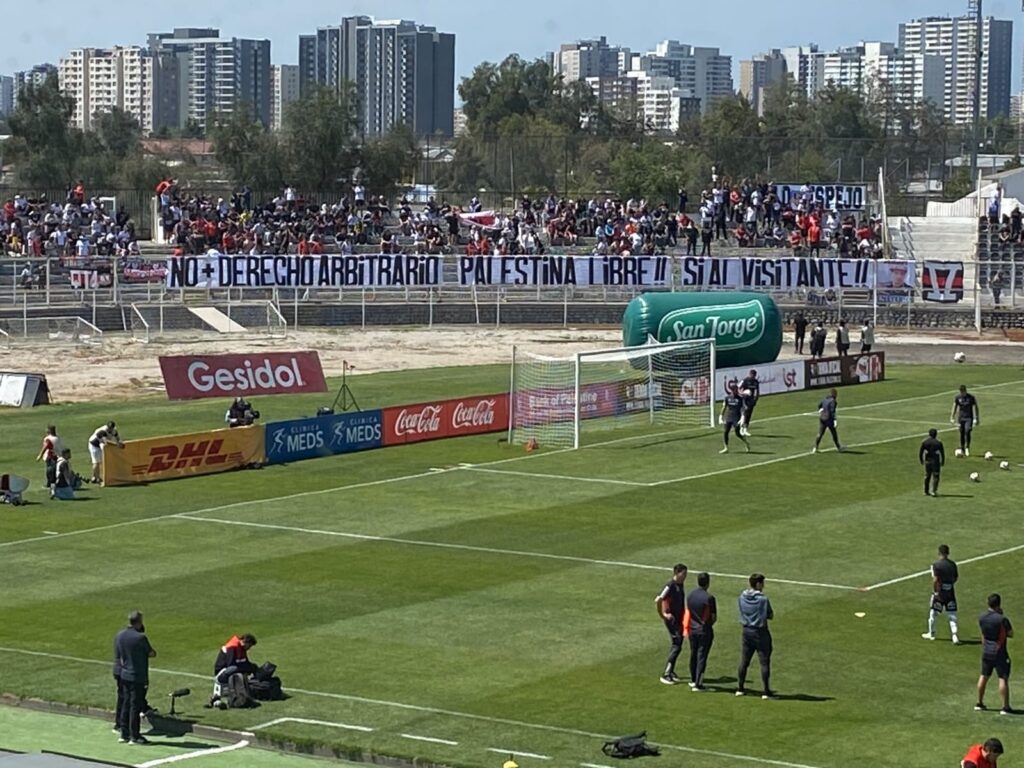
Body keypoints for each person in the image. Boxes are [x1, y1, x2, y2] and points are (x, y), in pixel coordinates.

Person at [114, 610, 156, 744]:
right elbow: (151, 653)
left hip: (124, 674)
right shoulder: (140, 637)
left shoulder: (120, 635)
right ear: (138, 622)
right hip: (137, 676)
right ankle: (135, 735)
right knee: (135, 706)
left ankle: (124, 733)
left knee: (126, 703)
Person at [736, 573, 775, 699]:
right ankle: (766, 691)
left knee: (744, 661)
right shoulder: (762, 599)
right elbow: (770, 615)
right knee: (764, 662)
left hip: (746, 631)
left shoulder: (742, 597)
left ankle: (740, 688)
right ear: (758, 584)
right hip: (760, 632)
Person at [976, 593, 1013, 715]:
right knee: (1003, 678)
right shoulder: (1001, 619)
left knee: (984, 676)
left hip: (986, 651)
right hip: (999, 652)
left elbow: (983, 633)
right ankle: (1005, 707)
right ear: (999, 604)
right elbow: (1010, 633)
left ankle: (979, 703)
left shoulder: (982, 617)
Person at [655, 564, 687, 685]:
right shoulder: (670, 586)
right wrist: (663, 614)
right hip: (672, 621)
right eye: (683, 574)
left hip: (679, 620)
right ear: (677, 573)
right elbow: (658, 599)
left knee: (678, 644)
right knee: (677, 644)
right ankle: (666, 673)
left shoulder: (680, 584)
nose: (685, 577)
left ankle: (671, 670)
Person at [922, 544, 959, 642]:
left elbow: (935, 580)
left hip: (940, 593)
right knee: (952, 614)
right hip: (950, 592)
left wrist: (935, 591)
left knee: (933, 613)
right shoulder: (952, 564)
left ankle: (932, 633)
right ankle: (955, 636)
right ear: (948, 553)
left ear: (939, 553)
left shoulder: (936, 565)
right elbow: (955, 578)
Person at [686, 572, 716, 691]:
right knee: (702, 656)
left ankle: (693, 680)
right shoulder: (709, 598)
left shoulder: (690, 595)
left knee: (693, 654)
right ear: (708, 582)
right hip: (704, 630)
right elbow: (713, 617)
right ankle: (699, 684)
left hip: (692, 629)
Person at [719, 381, 751, 454]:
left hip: (736, 417)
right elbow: (724, 407)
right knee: (725, 432)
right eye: (734, 389)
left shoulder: (740, 398)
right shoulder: (727, 398)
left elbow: (743, 408)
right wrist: (721, 416)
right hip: (728, 417)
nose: (735, 391)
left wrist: (742, 417)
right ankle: (726, 448)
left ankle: (746, 442)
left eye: (736, 389)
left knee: (737, 433)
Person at [951, 385, 980, 457]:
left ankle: (967, 447)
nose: (962, 393)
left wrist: (976, 418)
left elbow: (975, 407)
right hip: (961, 418)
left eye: (963, 392)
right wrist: (952, 417)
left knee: (967, 431)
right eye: (961, 392)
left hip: (969, 418)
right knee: (962, 433)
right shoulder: (958, 398)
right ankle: (962, 447)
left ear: (965, 391)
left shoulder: (971, 397)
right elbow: (954, 406)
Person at [813, 388, 843, 453]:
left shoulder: (825, 399)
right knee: (834, 433)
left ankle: (815, 447)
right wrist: (834, 420)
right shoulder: (833, 401)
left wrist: (820, 410)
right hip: (829, 419)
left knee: (820, 433)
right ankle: (839, 447)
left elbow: (819, 405)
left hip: (822, 418)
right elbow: (832, 411)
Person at [918, 429, 945, 497]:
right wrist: (943, 461)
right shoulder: (938, 443)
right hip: (935, 461)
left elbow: (921, 452)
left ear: (929, 434)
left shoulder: (925, 442)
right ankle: (934, 491)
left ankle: (925, 491)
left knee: (927, 476)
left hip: (927, 461)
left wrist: (921, 460)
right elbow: (942, 453)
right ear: (936, 434)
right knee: (936, 476)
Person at [739, 370, 760, 437]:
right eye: (752, 375)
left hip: (751, 400)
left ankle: (745, 429)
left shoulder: (756, 382)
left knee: (749, 415)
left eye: (754, 375)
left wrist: (756, 400)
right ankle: (741, 429)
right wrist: (742, 394)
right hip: (745, 400)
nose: (753, 376)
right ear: (749, 374)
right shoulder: (745, 380)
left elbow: (757, 391)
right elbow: (738, 388)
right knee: (745, 414)